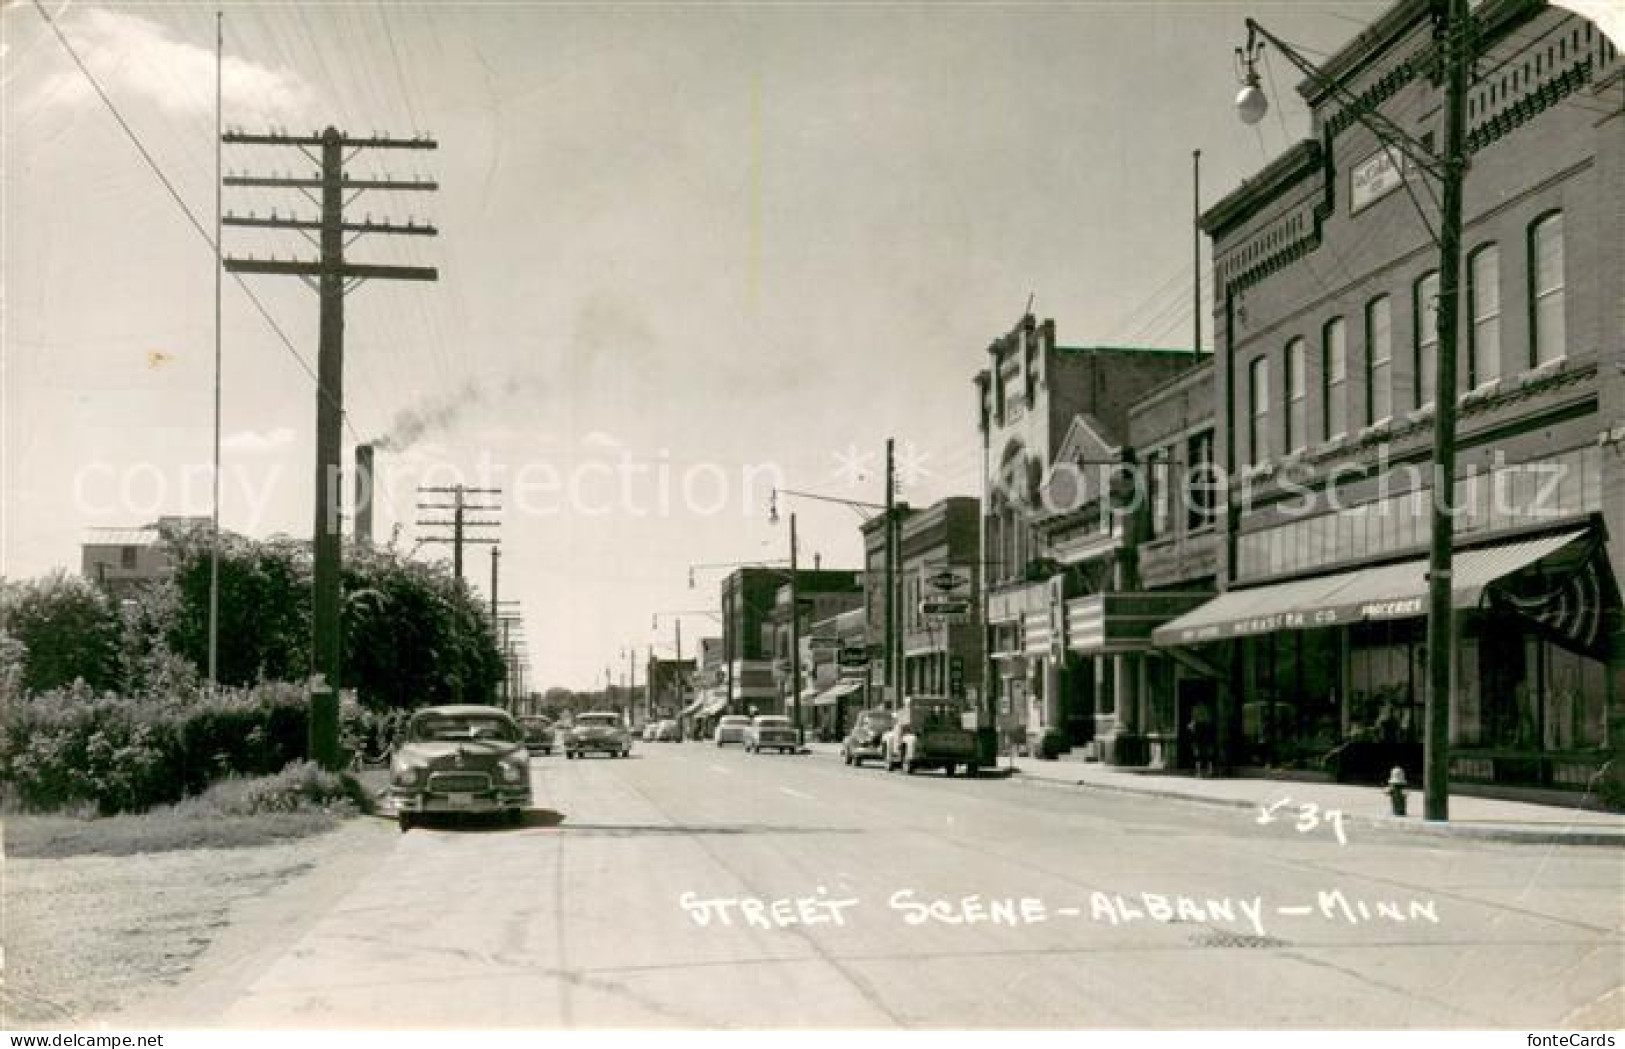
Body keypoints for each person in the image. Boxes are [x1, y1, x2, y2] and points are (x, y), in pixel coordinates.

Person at [1188, 704, 1215, 778]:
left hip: (1199, 735)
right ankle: (1208, 771)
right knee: (1206, 754)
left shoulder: (1198, 720)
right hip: (1204, 734)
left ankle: (1200, 772)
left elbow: (1191, 726)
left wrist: (1191, 727)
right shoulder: (1207, 719)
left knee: (1198, 755)